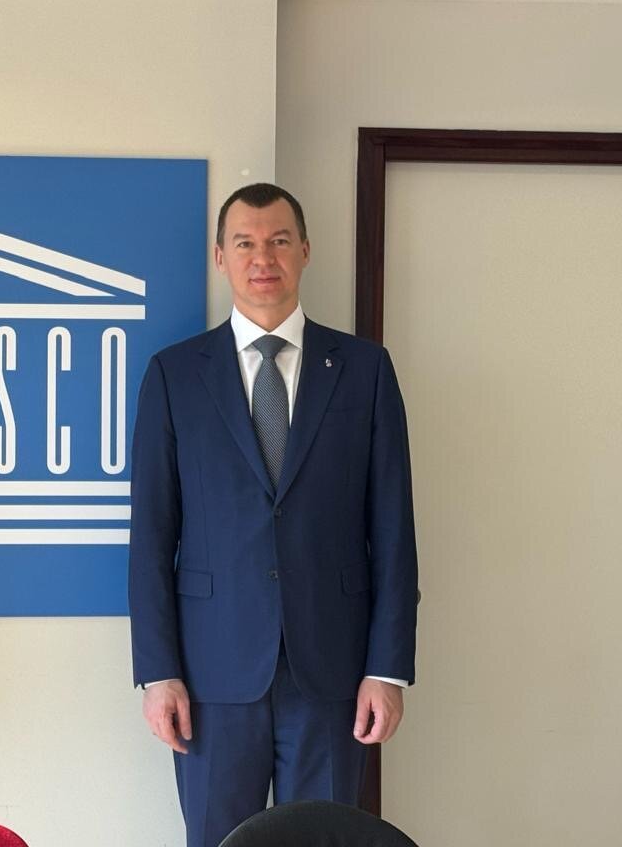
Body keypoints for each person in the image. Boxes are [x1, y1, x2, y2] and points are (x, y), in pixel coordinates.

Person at [128, 183, 418, 847]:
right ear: (220, 257)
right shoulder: (174, 375)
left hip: (333, 674)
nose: (264, 258)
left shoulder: (364, 370)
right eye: (246, 244)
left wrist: (387, 668)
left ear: (305, 251)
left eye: (280, 241)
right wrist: (158, 671)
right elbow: (151, 537)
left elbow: (393, 532)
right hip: (210, 677)